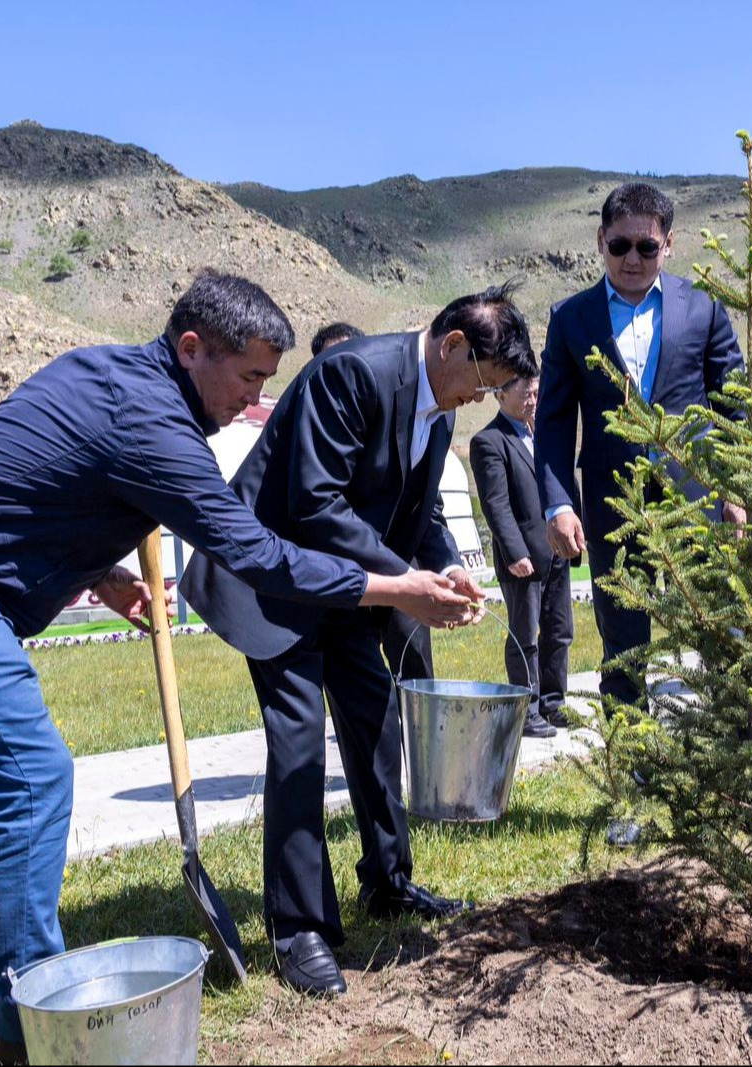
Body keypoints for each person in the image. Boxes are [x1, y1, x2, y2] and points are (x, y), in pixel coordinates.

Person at [0, 272, 473, 1063]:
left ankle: (4, 987)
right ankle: (28, 1027)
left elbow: (29, 476)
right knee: (33, 776)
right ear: (192, 347)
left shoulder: (99, 371)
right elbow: (254, 553)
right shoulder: (156, 426)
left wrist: (95, 571)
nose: (249, 404)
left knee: (8, 784)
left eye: (263, 385)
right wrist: (394, 587)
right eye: (246, 379)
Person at [181, 282, 536, 998]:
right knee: (300, 742)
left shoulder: (436, 420)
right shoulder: (352, 374)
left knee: (376, 721)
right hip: (272, 583)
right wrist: (404, 578)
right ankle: (299, 928)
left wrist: (443, 566)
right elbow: (314, 503)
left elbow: (418, 510)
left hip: (345, 590)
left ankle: (388, 880)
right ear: (454, 345)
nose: (479, 400)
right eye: (483, 382)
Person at [534, 182, 744, 711]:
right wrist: (559, 504)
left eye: (646, 247)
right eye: (620, 245)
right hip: (612, 505)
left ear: (668, 244)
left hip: (699, 503)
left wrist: (737, 492)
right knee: (623, 640)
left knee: (721, 630)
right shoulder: (570, 318)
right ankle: (629, 765)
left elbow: (735, 410)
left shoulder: (704, 310)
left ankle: (732, 751)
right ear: (600, 239)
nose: (633, 258)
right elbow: (555, 422)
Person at [313, 321, 436, 683]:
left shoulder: (405, 414)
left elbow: (429, 509)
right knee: (355, 676)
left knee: (414, 662)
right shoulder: (315, 431)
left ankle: (416, 731)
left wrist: (443, 568)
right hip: (342, 576)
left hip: (398, 564)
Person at [470, 374, 574, 738]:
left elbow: (561, 483)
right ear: (500, 394)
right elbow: (496, 504)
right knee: (524, 637)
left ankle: (553, 702)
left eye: (536, 391)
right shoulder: (489, 441)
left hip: (557, 551)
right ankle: (526, 711)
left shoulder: (544, 434)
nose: (533, 399)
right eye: (525, 393)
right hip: (524, 558)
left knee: (560, 631)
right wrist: (514, 552)